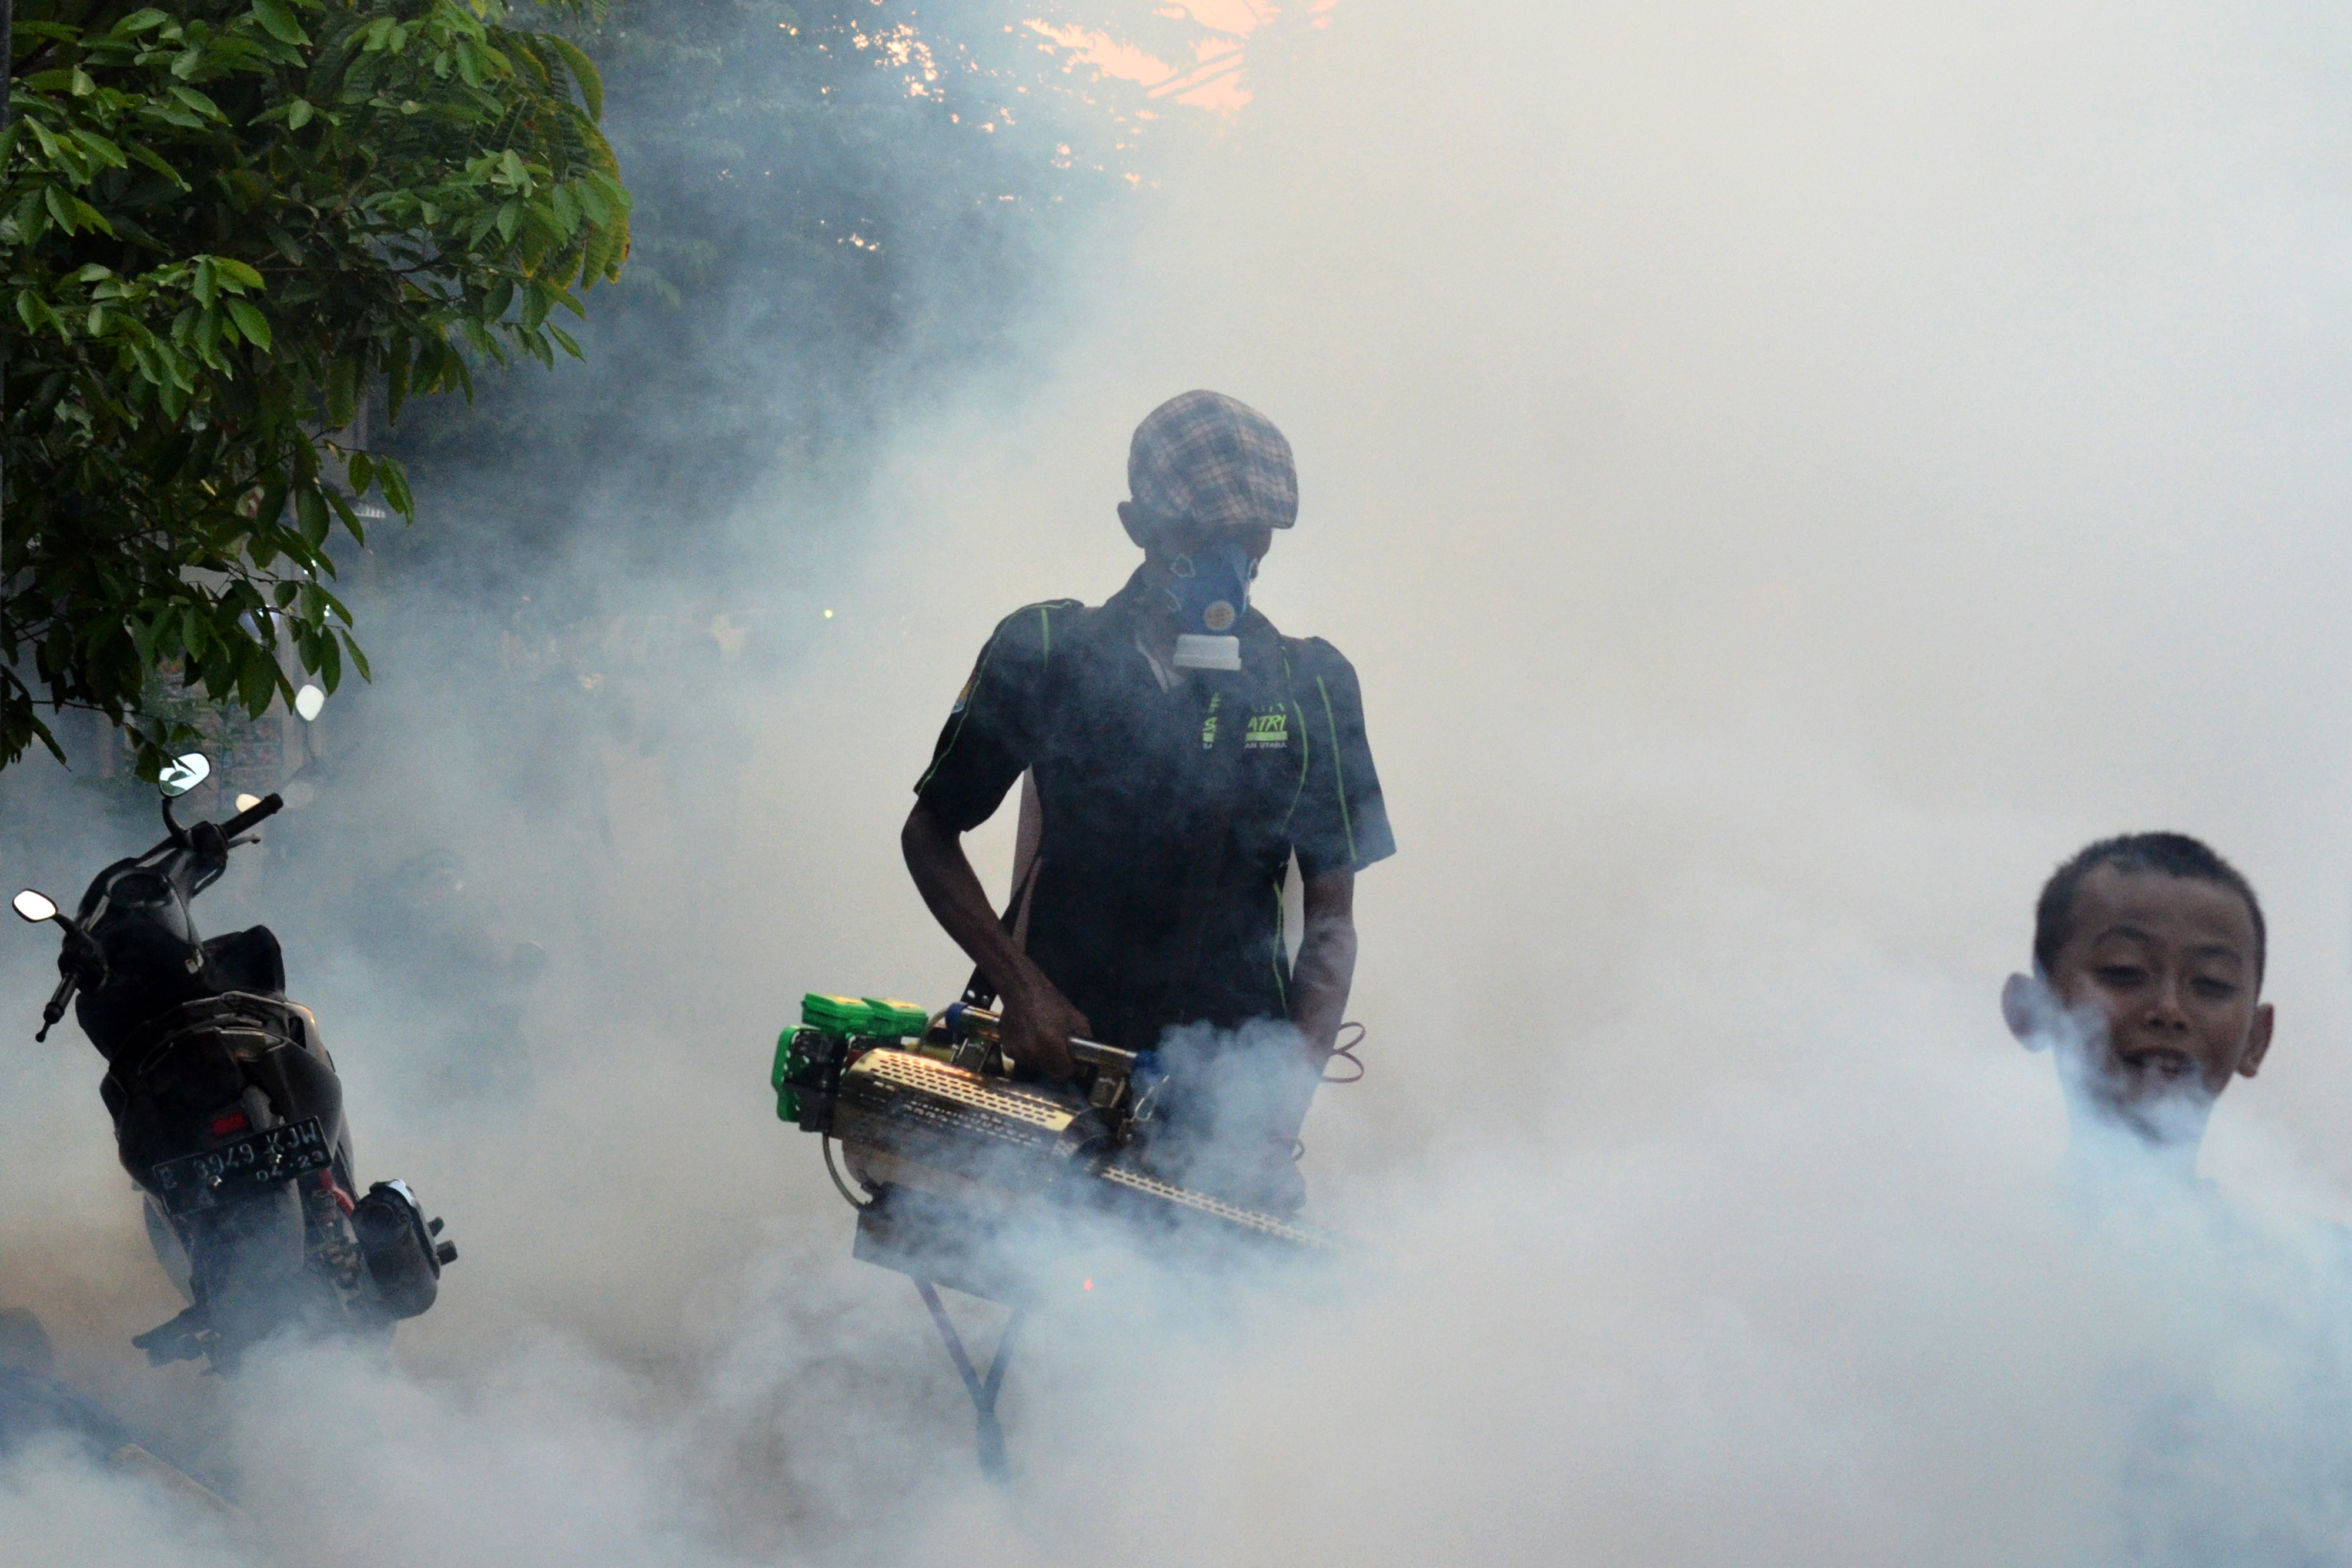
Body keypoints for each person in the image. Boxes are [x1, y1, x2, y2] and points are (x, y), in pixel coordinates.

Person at [901, 390, 1395, 1210]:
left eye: (1249, 534)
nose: (1228, 556)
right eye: (1195, 533)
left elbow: (1332, 923)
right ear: (1136, 525)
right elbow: (929, 832)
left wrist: (1276, 1118)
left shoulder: (1311, 684)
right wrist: (1021, 988)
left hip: (1226, 1103)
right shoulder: (1047, 652)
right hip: (1061, 1072)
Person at [2000, 832, 2273, 1165]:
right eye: (2124, 971)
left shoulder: (2279, 1203)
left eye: (2211, 982)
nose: (2169, 1010)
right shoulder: (1975, 1196)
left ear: (2256, 1040)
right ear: (2030, 1011)